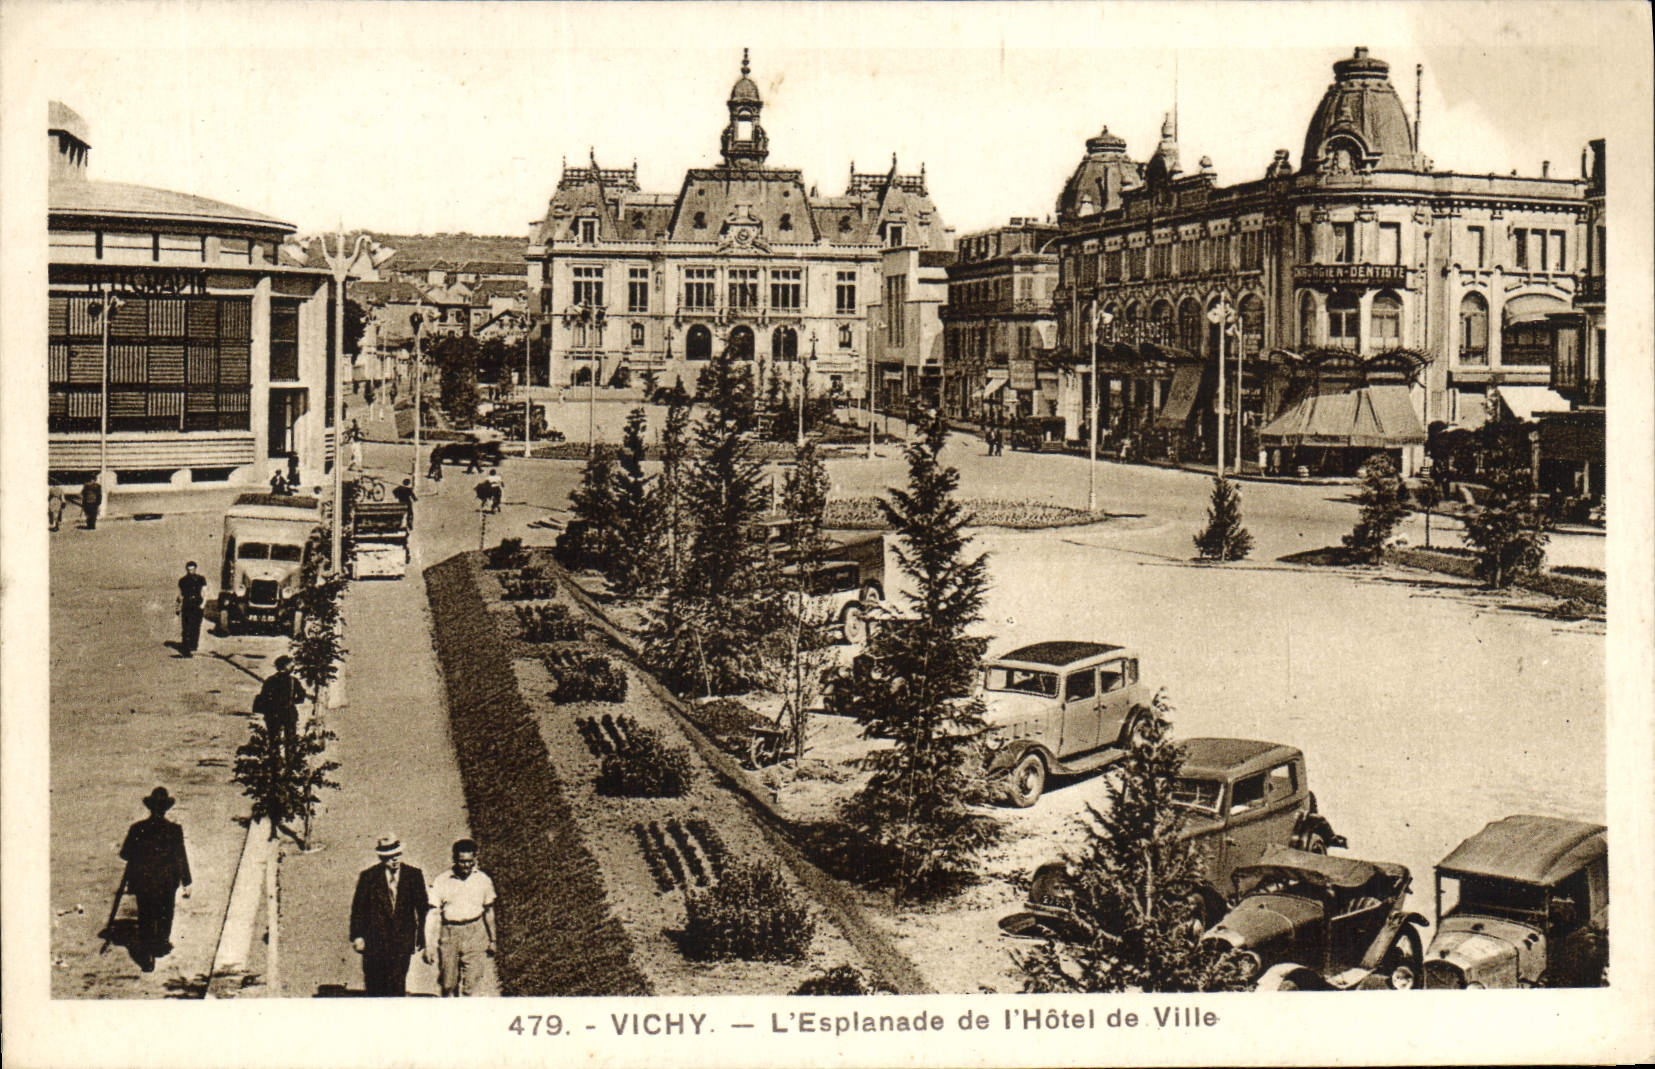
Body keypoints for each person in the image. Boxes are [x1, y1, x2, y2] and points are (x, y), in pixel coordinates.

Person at [119, 787, 191, 972]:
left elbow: (125, 854)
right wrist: (186, 881)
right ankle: (160, 944)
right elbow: (180, 857)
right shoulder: (174, 830)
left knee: (146, 915)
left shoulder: (137, 828)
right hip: (167, 881)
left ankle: (148, 954)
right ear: (166, 809)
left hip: (144, 881)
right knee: (165, 913)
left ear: (150, 808)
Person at [350, 835, 430, 997]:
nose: (394, 860)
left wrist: (422, 938)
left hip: (402, 941)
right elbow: (358, 909)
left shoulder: (414, 875)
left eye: (397, 855)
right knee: (374, 984)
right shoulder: (369, 877)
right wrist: (358, 936)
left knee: (397, 983)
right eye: (389, 857)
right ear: (381, 857)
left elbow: (423, 909)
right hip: (375, 941)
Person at [424, 838, 496, 996]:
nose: (466, 866)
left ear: (475, 859)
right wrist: (429, 946)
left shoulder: (483, 880)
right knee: (448, 983)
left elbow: (489, 910)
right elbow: (433, 914)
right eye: (462, 862)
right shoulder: (442, 881)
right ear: (455, 860)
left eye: (470, 861)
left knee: (472, 980)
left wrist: (493, 940)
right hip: (450, 933)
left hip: (476, 932)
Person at [253, 655, 305, 756]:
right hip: (289, 714)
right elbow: (301, 696)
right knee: (290, 742)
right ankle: (289, 767)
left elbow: (264, 697)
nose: (292, 666)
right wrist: (292, 701)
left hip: (273, 714)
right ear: (285, 666)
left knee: (273, 743)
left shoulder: (270, 680)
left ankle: (275, 767)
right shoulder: (293, 681)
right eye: (290, 664)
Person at [175, 561, 208, 657]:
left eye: (192, 569)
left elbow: (205, 592)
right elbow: (180, 595)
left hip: (197, 604)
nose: (191, 571)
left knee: (196, 626)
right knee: (186, 627)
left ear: (195, 569)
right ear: (186, 569)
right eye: (189, 569)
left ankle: (193, 645)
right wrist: (177, 607)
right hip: (187, 605)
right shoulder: (182, 580)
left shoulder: (201, 579)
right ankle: (186, 647)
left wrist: (203, 604)